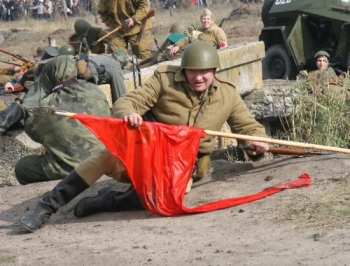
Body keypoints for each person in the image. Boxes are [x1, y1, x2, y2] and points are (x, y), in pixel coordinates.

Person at [19, 41, 269, 232]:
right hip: (150, 152)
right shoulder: (164, 81)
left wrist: (256, 143)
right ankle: (46, 207)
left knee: (165, 198)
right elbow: (128, 102)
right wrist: (129, 114)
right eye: (193, 71)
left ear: (214, 70)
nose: (199, 77)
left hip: (187, 165)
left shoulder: (228, 94)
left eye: (205, 71)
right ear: (184, 70)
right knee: (105, 156)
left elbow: (249, 128)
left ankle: (109, 201)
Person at [14, 55, 112, 185]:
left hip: (72, 169)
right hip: (103, 161)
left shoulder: (46, 108)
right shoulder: (94, 90)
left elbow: (33, 132)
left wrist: (32, 96)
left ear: (49, 77)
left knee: (22, 167)